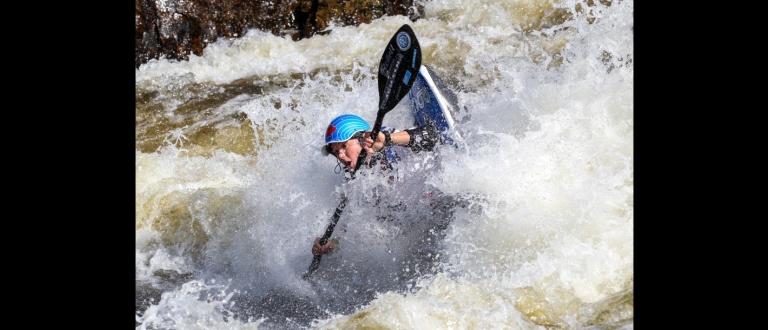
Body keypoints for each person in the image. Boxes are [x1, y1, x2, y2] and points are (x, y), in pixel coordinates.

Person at [311, 113, 442, 256]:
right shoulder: (354, 178)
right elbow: (349, 222)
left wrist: (388, 140)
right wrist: (332, 243)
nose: (341, 156)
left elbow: (433, 135)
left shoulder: (387, 143)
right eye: (336, 152)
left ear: (362, 139)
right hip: (421, 221)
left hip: (445, 198)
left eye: (344, 146)